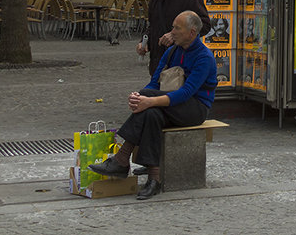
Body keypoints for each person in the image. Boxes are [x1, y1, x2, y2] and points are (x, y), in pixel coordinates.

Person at [90, 11, 217, 200]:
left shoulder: (204, 57)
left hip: (194, 108)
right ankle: (153, 179)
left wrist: (148, 100)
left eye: (177, 28)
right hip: (169, 105)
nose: (171, 31)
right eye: (172, 26)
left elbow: (186, 93)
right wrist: (139, 96)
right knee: (151, 115)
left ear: (192, 33)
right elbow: (155, 83)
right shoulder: (172, 51)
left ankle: (122, 159)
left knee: (149, 102)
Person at [137, 0, 212, 76]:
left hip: (181, 66)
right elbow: (153, 27)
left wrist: (175, 35)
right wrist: (144, 43)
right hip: (159, 67)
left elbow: (204, 25)